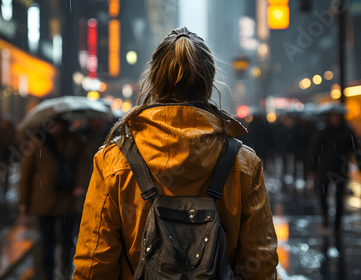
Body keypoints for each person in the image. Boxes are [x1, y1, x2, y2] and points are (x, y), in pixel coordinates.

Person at [73, 27, 278, 279]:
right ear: (209, 83)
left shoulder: (114, 161)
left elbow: (94, 265)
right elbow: (260, 264)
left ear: (154, 81)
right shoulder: (243, 162)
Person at [19, 118, 90, 279]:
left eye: (61, 124)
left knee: (67, 239)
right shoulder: (37, 142)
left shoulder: (75, 141)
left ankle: (65, 271)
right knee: (46, 241)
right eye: (54, 124)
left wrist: (80, 184)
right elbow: (26, 173)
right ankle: (48, 273)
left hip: (67, 197)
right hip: (44, 200)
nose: (57, 128)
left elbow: (83, 165)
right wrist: (24, 201)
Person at [309, 112, 356, 242]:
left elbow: (354, 148)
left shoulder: (347, 132)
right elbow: (315, 149)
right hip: (324, 169)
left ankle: (336, 225)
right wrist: (312, 167)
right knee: (323, 196)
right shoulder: (323, 131)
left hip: (340, 169)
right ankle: (325, 217)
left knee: (339, 198)